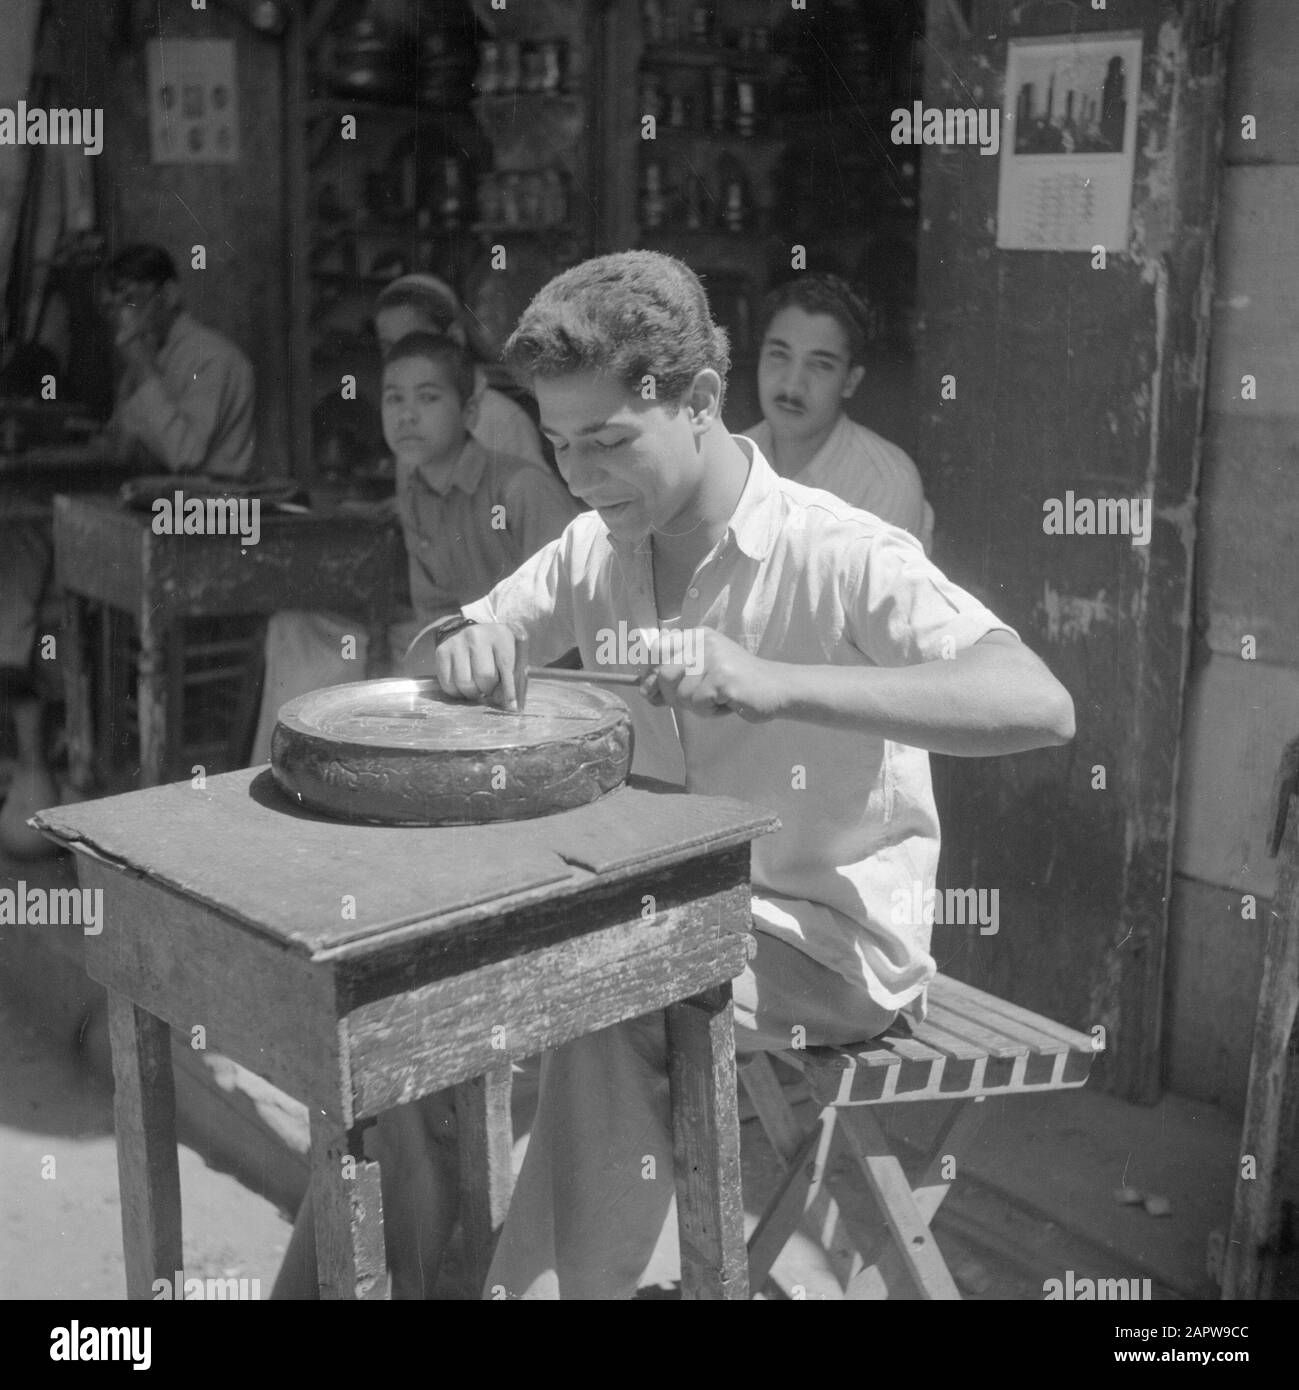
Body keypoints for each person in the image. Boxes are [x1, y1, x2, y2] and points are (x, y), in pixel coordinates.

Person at [412, 250, 1075, 1298]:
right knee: (434, 968)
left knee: (621, 990)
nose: (581, 474)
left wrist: (775, 682)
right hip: (672, 912)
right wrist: (466, 642)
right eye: (559, 443)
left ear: (703, 403)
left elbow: (1038, 703)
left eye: (611, 442)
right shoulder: (596, 547)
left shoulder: (843, 550)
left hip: (827, 944)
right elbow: (465, 630)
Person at [269, 331, 579, 1299]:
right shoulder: (409, 492)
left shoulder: (523, 488)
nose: (407, 414)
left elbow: (563, 634)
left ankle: (446, 1221)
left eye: (428, 398)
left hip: (527, 729)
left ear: (472, 401)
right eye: (393, 397)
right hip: (446, 720)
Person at [744, 273, 934, 553]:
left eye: (820, 364)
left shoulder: (884, 482)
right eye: (779, 355)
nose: (792, 384)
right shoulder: (735, 458)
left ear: (850, 381)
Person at [99, 242, 256, 477]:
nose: (122, 318)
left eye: (130, 299)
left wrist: (142, 370)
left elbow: (185, 456)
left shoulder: (212, 357)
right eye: (112, 308)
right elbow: (122, 453)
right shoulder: (150, 355)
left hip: (215, 508)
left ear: (169, 294)